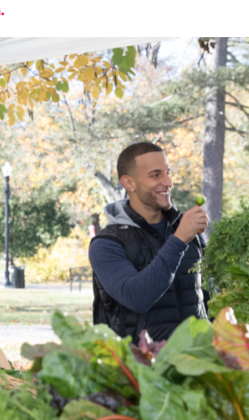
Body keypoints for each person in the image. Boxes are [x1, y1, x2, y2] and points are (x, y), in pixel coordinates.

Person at [89, 141, 209, 342]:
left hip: (198, 361)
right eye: (156, 175)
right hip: (141, 367)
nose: (168, 182)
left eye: (168, 172)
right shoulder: (106, 244)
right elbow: (137, 298)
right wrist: (179, 239)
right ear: (129, 183)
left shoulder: (189, 230)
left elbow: (210, 294)